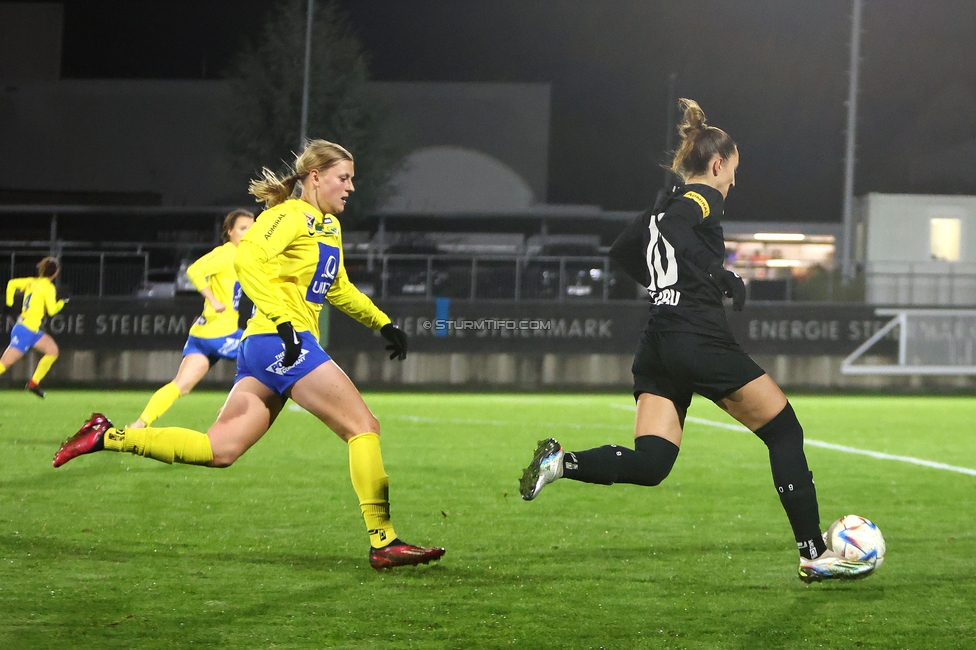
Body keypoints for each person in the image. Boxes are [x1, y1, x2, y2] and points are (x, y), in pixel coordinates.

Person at [518, 99, 876, 583]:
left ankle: (563, 463)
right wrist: (715, 272)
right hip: (696, 339)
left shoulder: (662, 203)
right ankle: (813, 553)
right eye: (733, 171)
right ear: (716, 163)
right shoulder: (702, 198)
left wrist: (669, 284)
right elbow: (676, 227)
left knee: (653, 462)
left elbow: (622, 250)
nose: (733, 181)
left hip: (658, 343)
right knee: (784, 431)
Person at [53, 139, 445, 571]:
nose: (351, 187)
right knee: (363, 427)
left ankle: (107, 435)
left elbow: (338, 288)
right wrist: (281, 321)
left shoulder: (327, 227)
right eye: (344, 178)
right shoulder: (287, 215)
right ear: (315, 177)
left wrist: (382, 322)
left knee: (219, 449)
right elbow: (249, 263)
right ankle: (383, 541)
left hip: (267, 346)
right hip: (282, 341)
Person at [127, 209, 255, 429]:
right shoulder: (227, 253)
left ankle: (140, 424)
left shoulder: (242, 255)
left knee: (181, 385)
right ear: (229, 230)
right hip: (219, 332)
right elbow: (195, 270)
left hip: (202, 334)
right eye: (242, 229)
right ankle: (230, 408)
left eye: (251, 229)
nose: (247, 233)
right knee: (261, 354)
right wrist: (213, 300)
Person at [1, 256, 67, 397]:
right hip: (25, 330)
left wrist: (9, 303)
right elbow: (51, 310)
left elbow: (12, 284)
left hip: (31, 330)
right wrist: (61, 302)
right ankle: (33, 383)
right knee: (4, 364)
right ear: (55, 273)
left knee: (52, 351)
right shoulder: (48, 288)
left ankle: (33, 383)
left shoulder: (32, 282)